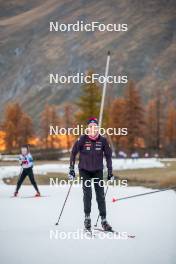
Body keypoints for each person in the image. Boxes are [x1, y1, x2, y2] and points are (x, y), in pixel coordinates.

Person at [68, 117, 114, 231]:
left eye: (95, 127)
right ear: (88, 129)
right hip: (84, 170)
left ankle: (104, 220)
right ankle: (87, 218)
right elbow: (73, 153)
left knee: (100, 195)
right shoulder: (82, 139)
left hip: (98, 170)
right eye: (90, 127)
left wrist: (110, 172)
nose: (93, 129)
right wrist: (71, 169)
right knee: (87, 194)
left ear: (98, 128)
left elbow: (108, 156)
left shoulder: (103, 140)